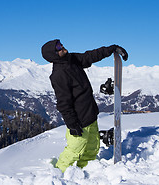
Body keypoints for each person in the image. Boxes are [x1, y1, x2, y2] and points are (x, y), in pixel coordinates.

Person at [41, 39, 128, 172]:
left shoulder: (72, 59)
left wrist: (111, 49)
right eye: (58, 47)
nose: (62, 46)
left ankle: (86, 171)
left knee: (93, 147)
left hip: (90, 114)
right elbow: (63, 103)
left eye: (60, 44)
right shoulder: (59, 75)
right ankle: (59, 173)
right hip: (79, 121)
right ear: (53, 54)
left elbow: (90, 56)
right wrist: (72, 124)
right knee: (74, 149)